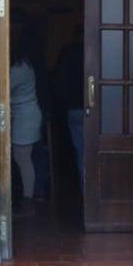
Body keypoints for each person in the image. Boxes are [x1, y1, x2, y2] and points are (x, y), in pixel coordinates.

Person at [10, 41, 44, 217]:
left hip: (25, 117)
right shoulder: (26, 65)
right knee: (24, 157)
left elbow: (3, 88)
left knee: (23, 158)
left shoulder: (17, 70)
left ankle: (27, 199)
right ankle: (28, 196)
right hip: (28, 115)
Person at [54, 24, 85, 188]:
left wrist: (65, 102)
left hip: (73, 108)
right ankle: (96, 192)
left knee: (81, 150)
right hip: (97, 110)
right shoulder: (99, 49)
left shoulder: (67, 54)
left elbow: (59, 82)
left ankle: (85, 189)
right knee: (97, 148)